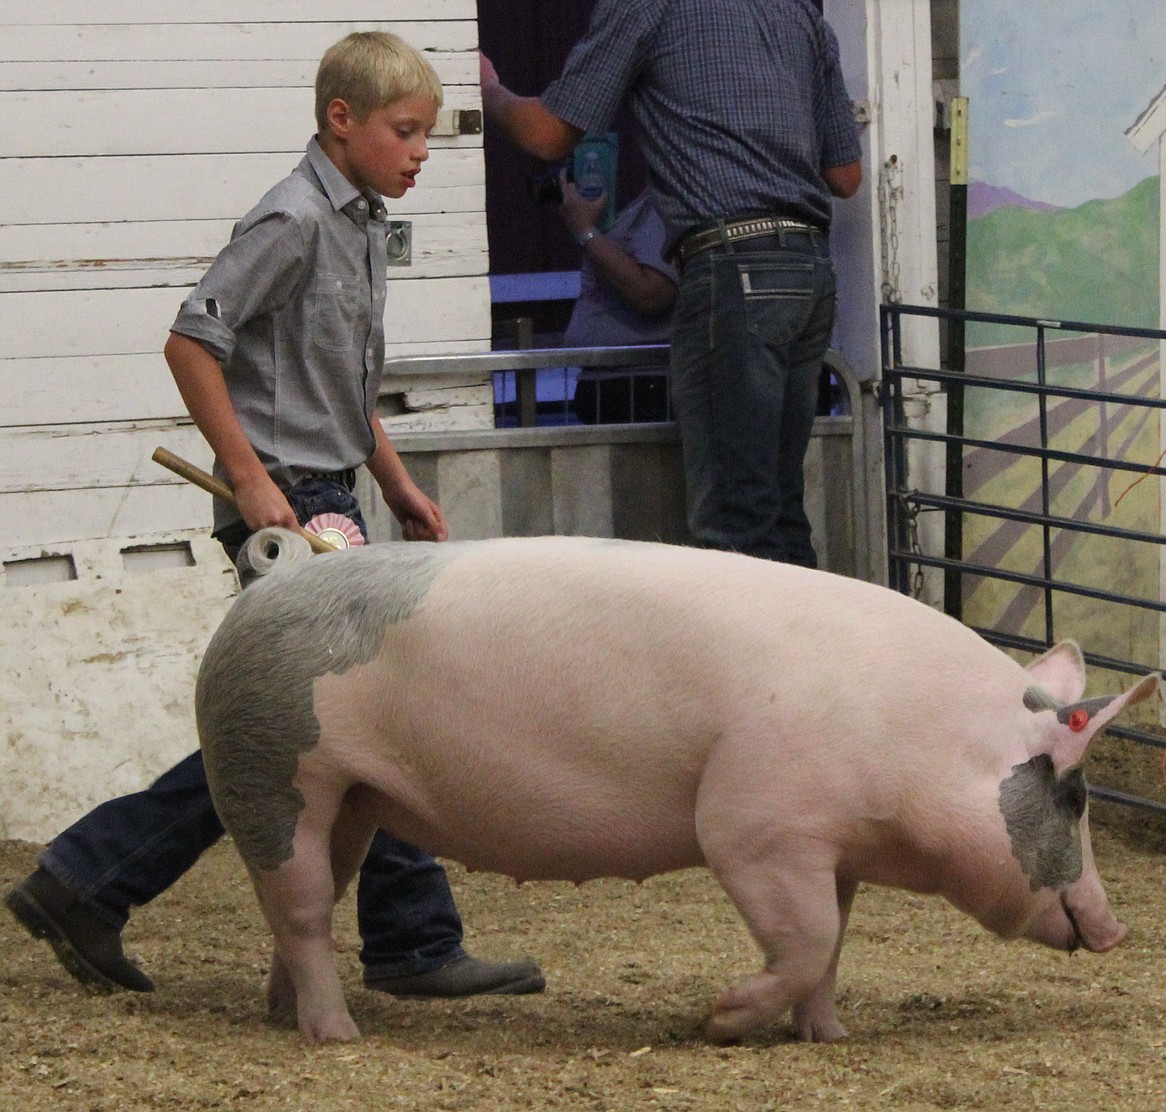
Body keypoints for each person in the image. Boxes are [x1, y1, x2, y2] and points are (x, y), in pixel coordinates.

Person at [5, 31, 544, 1004]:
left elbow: (337, 379)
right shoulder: (292, 220)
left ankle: (90, 879)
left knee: (322, 723)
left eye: (425, 134)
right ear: (342, 122)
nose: (422, 151)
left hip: (330, 488)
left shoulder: (358, 220)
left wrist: (396, 477)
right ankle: (405, 936)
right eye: (405, 131)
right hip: (289, 504)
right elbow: (190, 341)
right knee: (338, 720)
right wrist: (252, 479)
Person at [481, 0, 862, 566]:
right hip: (808, 269)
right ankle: (803, 649)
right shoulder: (799, 11)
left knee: (735, 524)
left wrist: (487, 88)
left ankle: (749, 655)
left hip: (731, 268)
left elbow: (547, 135)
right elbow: (845, 175)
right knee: (779, 511)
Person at [557, 176, 678, 424]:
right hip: (611, 381)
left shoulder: (667, 204)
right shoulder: (641, 205)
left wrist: (585, 231)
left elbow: (652, 293)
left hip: (642, 385)